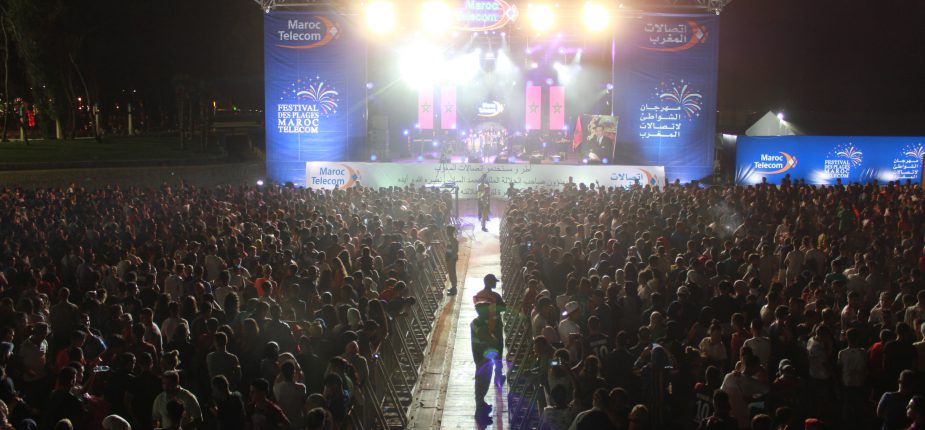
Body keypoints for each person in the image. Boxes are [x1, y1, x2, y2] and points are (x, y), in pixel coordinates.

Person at [471, 301, 496, 417]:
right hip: (481, 356)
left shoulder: (482, 322)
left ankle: (481, 401)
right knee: (482, 380)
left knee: (485, 379)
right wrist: (493, 339)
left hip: (484, 354)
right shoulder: (478, 324)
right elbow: (486, 337)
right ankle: (479, 405)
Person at [445, 226, 459, 296]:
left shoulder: (453, 240)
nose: (446, 232)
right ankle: (453, 287)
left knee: (452, 273)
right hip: (450, 258)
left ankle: (454, 288)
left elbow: (454, 250)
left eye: (448, 230)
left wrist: (450, 258)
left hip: (451, 259)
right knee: (451, 273)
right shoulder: (450, 239)